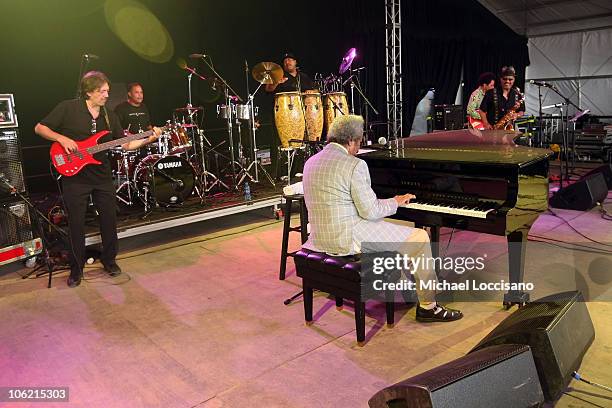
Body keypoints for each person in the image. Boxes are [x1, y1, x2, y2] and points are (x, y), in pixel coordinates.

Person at [302, 114, 463, 322]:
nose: (358, 148)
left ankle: (408, 286)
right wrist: (396, 200)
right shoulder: (354, 165)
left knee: (399, 227)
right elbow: (370, 211)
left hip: (319, 238)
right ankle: (428, 306)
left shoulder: (311, 162)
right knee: (420, 237)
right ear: (350, 140)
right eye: (358, 142)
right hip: (348, 238)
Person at [35, 71, 161, 287]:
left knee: (109, 220)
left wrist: (149, 139)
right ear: (88, 92)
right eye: (102, 91)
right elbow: (39, 128)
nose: (106, 95)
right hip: (75, 177)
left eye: (107, 91)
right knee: (76, 224)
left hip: (101, 175)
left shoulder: (109, 115)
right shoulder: (68, 108)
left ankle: (110, 261)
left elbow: (125, 144)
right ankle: (76, 270)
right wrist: (61, 138)